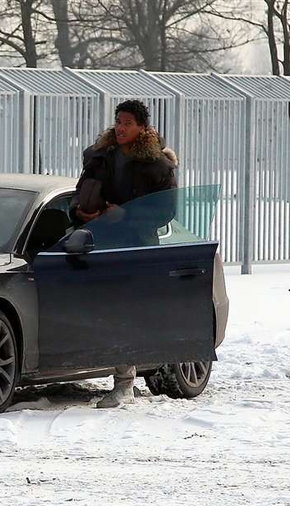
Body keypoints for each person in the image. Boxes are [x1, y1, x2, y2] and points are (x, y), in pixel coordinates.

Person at [70, 99, 179, 409]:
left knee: (123, 313)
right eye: (118, 121)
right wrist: (79, 211)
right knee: (103, 312)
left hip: (135, 247)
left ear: (142, 127)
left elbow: (165, 212)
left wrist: (126, 216)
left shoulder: (158, 165)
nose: (120, 127)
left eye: (128, 123)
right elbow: (80, 191)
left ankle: (124, 383)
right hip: (98, 241)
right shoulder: (100, 157)